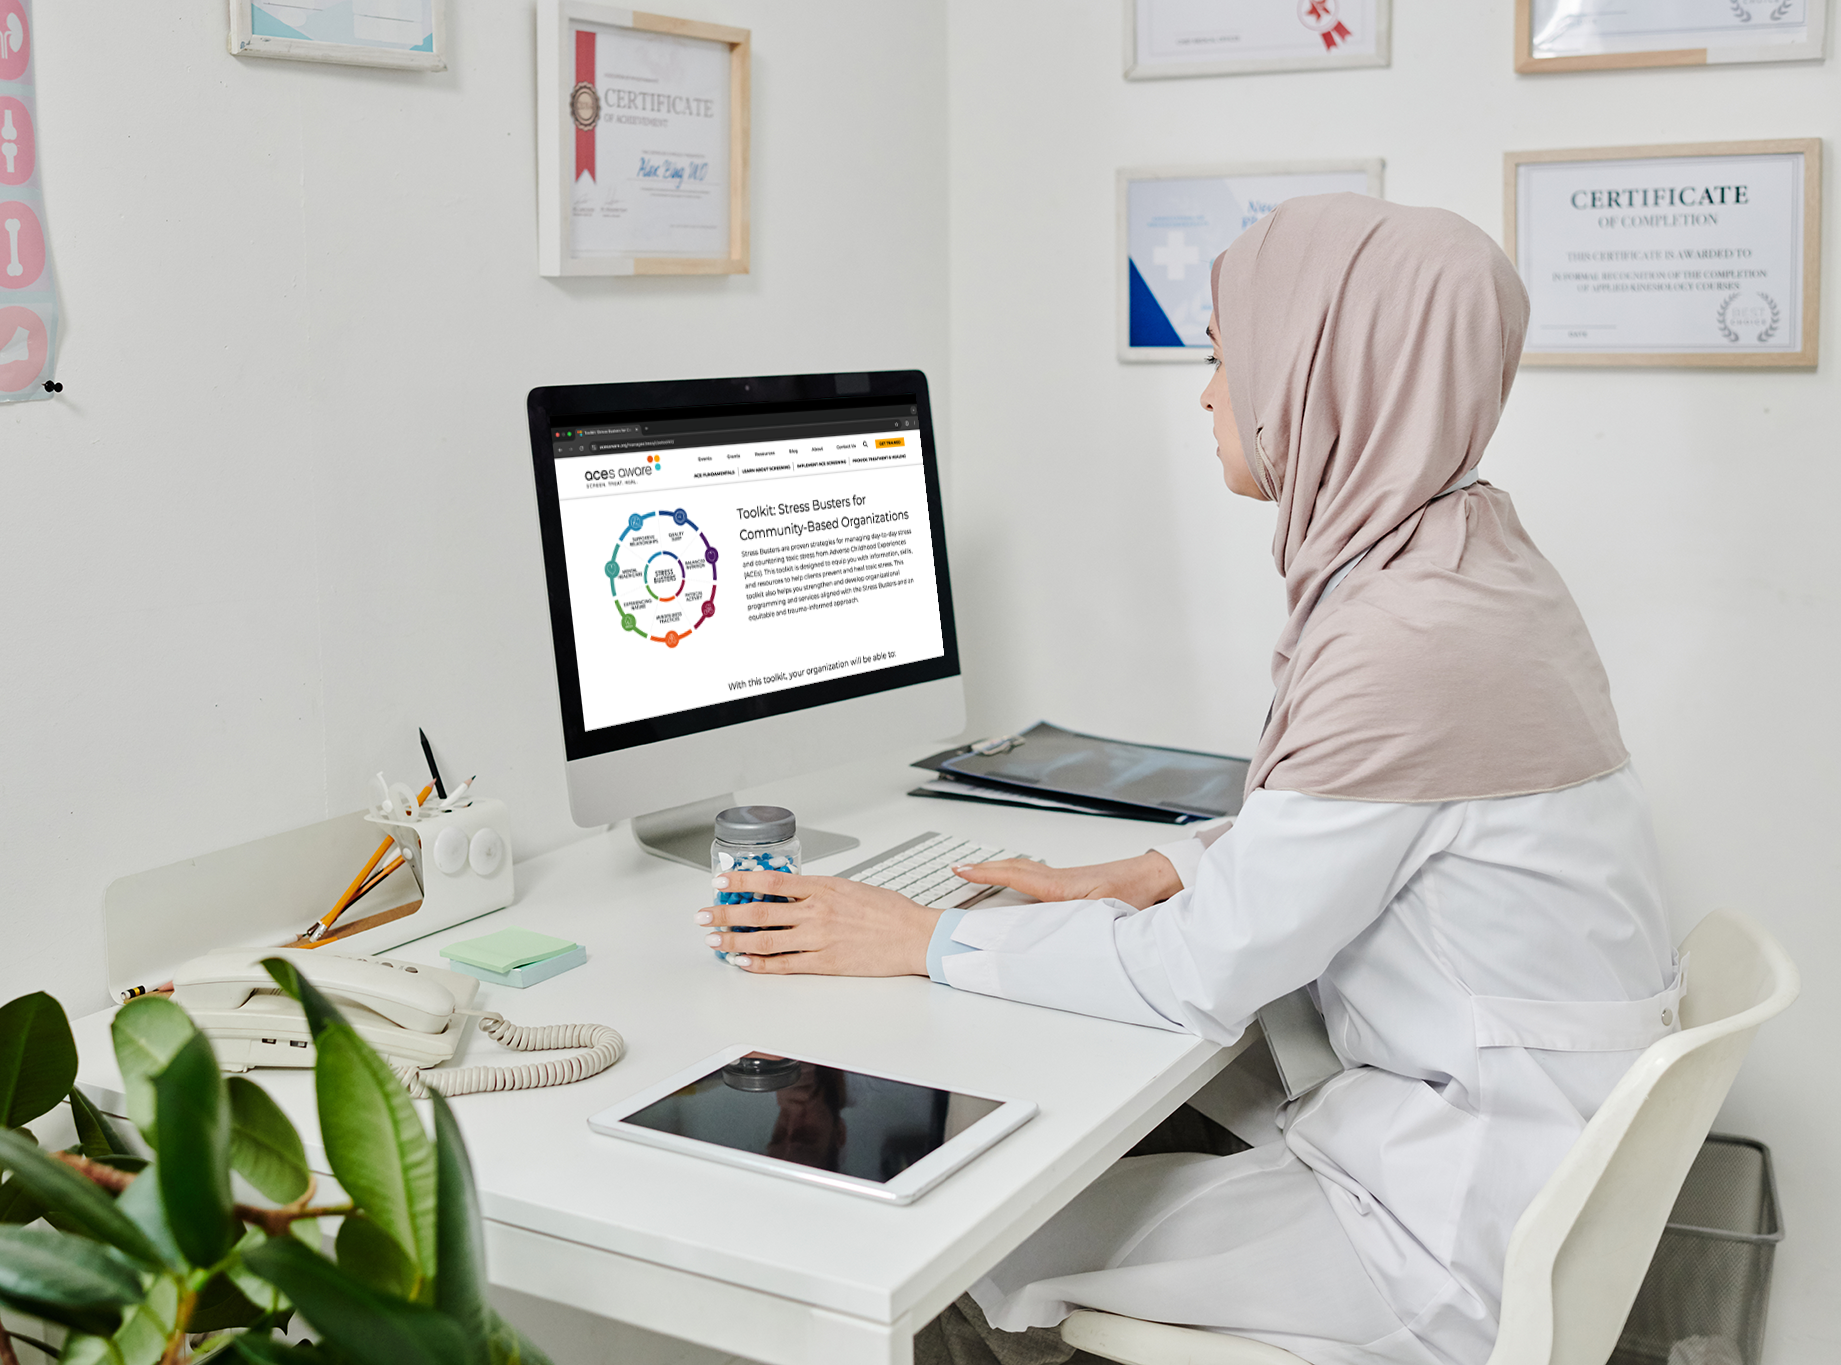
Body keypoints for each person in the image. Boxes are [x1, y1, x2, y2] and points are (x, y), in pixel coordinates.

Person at [693, 193, 1681, 1365]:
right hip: (1508, 1150)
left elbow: (1200, 975)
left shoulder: (1408, 638)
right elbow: (1387, 828)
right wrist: (1161, 862)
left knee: (946, 1227)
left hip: (1441, 1225)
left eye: (1226, 358)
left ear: (1325, 374)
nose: (1210, 392)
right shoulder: (1469, 563)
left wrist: (920, 940)